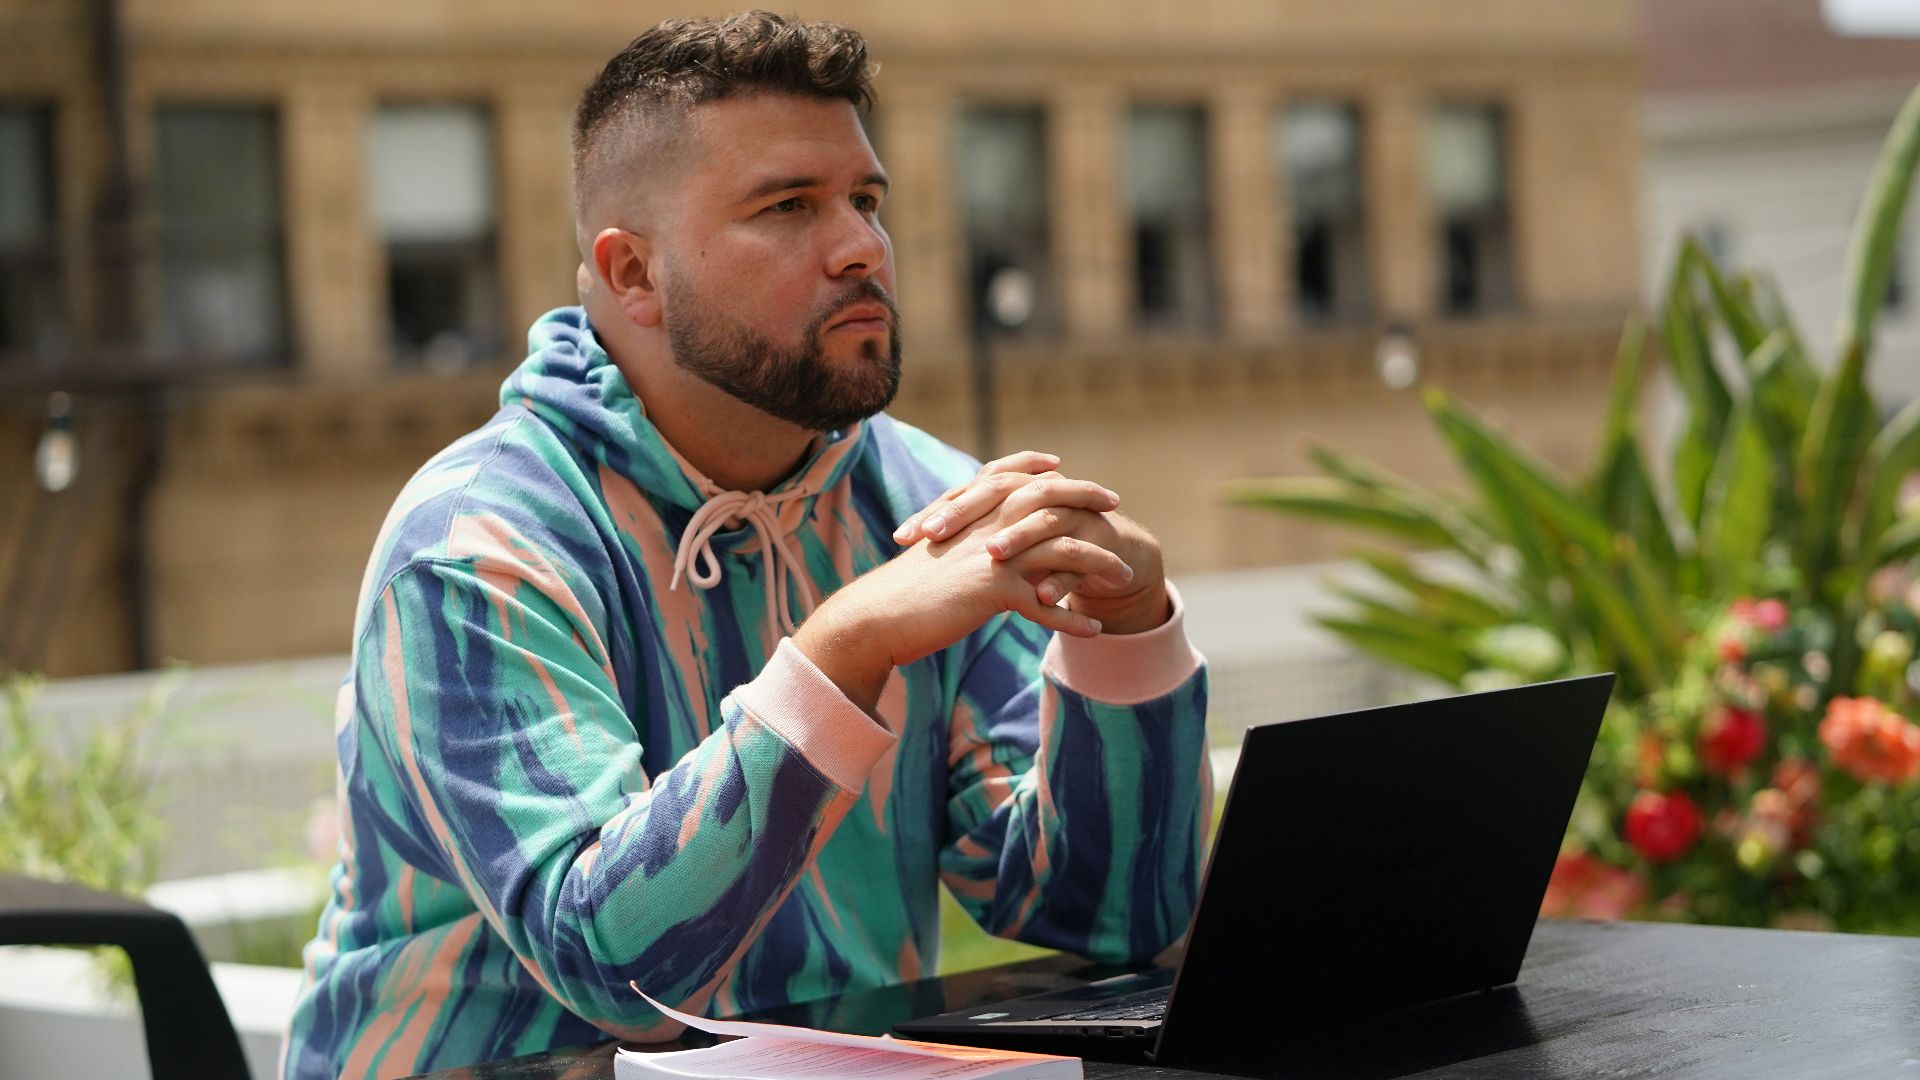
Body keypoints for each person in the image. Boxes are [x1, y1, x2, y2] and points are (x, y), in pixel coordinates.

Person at [281, 12, 1210, 1079]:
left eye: (865, 200)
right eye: (788, 206)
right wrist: (842, 652)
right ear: (631, 274)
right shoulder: (474, 547)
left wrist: (1125, 633)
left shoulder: (931, 506)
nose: (861, 244)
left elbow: (1107, 921)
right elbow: (611, 970)